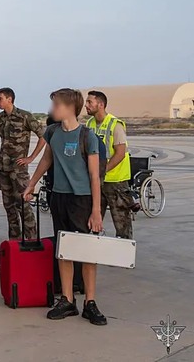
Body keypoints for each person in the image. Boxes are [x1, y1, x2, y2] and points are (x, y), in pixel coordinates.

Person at [24, 88, 106, 325]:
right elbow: (47, 159)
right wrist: (31, 184)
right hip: (59, 197)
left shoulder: (87, 136)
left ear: (70, 107)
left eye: (56, 105)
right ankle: (67, 300)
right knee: (64, 249)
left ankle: (90, 302)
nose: (52, 109)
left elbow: (94, 176)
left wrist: (96, 210)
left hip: (82, 200)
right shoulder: (52, 132)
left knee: (87, 251)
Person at [0, 87, 46, 240]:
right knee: (9, 207)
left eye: (0, 99)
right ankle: (15, 241)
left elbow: (43, 136)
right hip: (3, 167)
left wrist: (31, 157)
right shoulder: (1, 117)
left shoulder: (25, 116)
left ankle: (31, 240)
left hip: (18, 170)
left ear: (9, 99)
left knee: (23, 206)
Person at [85, 91, 133, 239]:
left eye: (89, 102)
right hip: (97, 181)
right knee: (92, 221)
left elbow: (120, 153)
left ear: (100, 105)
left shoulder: (115, 124)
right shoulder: (89, 124)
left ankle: (125, 258)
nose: (86, 105)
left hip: (116, 182)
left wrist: (102, 171)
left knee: (122, 223)